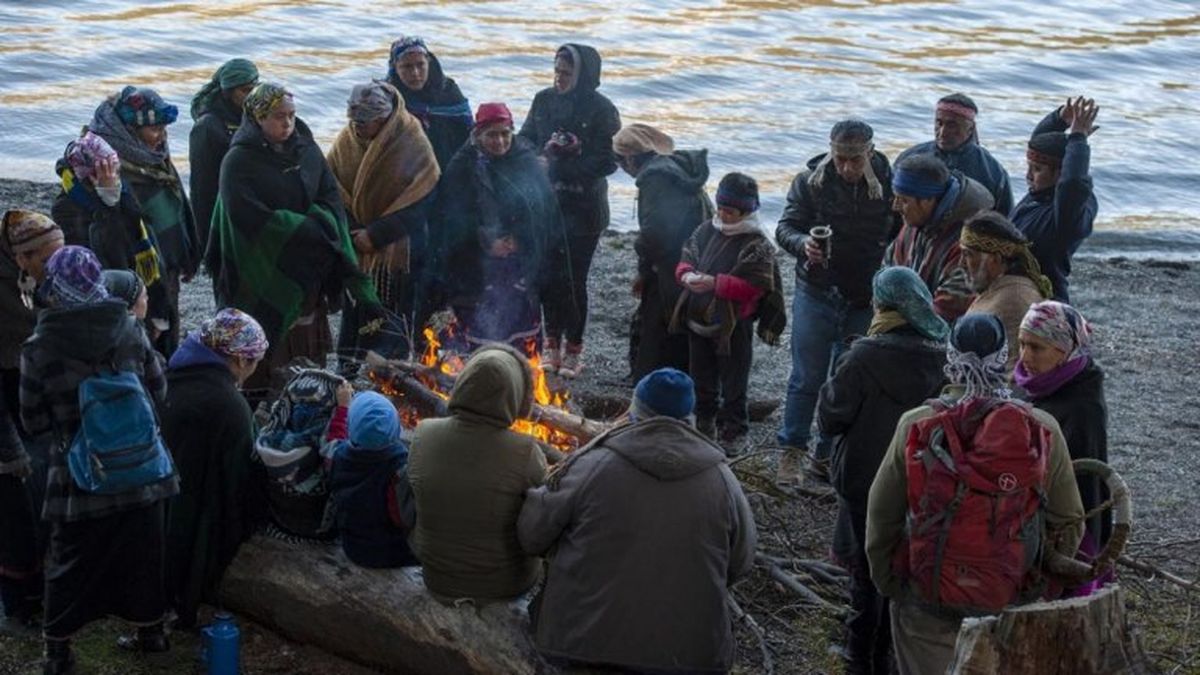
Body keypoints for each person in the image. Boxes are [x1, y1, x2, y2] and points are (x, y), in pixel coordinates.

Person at [865, 313, 1084, 675]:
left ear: (950, 355)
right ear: (1003, 358)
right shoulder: (1041, 429)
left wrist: (891, 583)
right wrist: (1039, 585)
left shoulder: (916, 423)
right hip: (1008, 601)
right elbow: (1070, 521)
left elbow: (881, 515)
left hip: (926, 599)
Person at [518, 367, 756, 673]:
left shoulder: (592, 465)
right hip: (691, 658)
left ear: (635, 411)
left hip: (582, 646)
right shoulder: (723, 479)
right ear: (690, 418)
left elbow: (532, 536)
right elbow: (740, 563)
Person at [20, 246, 177, 673]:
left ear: (54, 288)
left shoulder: (39, 347)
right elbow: (159, 391)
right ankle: (152, 634)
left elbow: (33, 420)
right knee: (143, 554)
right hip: (143, 470)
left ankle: (58, 653)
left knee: (67, 562)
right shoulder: (129, 329)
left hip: (78, 475)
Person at [208, 82, 381, 398]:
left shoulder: (307, 149)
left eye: (291, 115)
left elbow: (329, 196)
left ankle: (308, 396)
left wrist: (320, 223)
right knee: (264, 342)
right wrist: (306, 227)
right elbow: (246, 216)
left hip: (308, 261)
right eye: (278, 116)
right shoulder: (238, 161)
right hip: (262, 263)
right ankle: (259, 397)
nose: (287, 123)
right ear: (258, 117)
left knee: (305, 339)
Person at [817, 266, 948, 674]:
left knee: (865, 570)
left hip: (863, 481)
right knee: (903, 567)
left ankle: (860, 658)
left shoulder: (863, 356)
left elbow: (830, 418)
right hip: (919, 482)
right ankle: (890, 655)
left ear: (882, 305)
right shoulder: (943, 356)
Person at [774, 120, 898, 490]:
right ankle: (792, 450)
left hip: (865, 297)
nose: (846, 167)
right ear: (831, 151)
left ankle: (826, 455)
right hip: (816, 290)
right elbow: (785, 228)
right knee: (806, 377)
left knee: (845, 379)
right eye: (840, 159)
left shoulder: (891, 185)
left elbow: (904, 229)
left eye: (854, 160)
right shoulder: (809, 182)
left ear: (870, 153)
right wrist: (803, 245)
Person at [408, 344, 547, 601]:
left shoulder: (423, 432)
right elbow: (542, 521)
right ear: (517, 394)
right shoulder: (525, 450)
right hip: (504, 583)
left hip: (436, 576)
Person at [519, 43, 621, 377]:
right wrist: (539, 155)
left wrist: (570, 158)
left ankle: (574, 346)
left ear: (583, 75)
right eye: (556, 72)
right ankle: (551, 343)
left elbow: (609, 160)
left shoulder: (603, 109)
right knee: (548, 275)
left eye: (566, 73)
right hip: (548, 205)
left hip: (585, 208)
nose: (559, 79)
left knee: (574, 279)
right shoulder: (543, 100)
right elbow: (525, 138)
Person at [161, 308, 267, 628]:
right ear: (240, 361)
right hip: (198, 507)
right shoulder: (230, 406)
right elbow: (239, 478)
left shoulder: (174, 375)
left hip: (158, 497)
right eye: (255, 362)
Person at [429, 102, 562, 349]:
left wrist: (519, 239)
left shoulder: (525, 159)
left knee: (520, 323)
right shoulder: (463, 166)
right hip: (476, 262)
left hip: (519, 257)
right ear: (478, 135)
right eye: (491, 135)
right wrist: (486, 241)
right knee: (479, 326)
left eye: (504, 134)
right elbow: (453, 217)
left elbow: (543, 209)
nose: (499, 141)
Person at [327, 80, 440, 364]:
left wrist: (376, 235)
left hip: (400, 246)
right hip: (357, 243)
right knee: (356, 310)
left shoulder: (412, 141)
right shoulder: (346, 142)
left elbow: (422, 199)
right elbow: (331, 189)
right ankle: (349, 364)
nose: (358, 127)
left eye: (366, 121)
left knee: (395, 312)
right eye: (354, 120)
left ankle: (392, 369)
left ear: (386, 118)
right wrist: (355, 232)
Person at [672, 173, 782, 451]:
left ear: (746, 211)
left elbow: (755, 287)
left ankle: (734, 431)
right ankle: (704, 423)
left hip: (735, 324)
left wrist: (715, 283)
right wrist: (686, 275)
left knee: (734, 383)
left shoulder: (758, 243)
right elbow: (686, 256)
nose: (722, 215)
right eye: (720, 208)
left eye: (729, 211)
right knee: (701, 377)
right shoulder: (706, 229)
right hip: (698, 319)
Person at [88, 85, 199, 357]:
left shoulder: (152, 154)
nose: (162, 136)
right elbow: (112, 231)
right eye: (155, 129)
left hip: (167, 266)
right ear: (129, 130)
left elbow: (178, 198)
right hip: (136, 274)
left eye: (164, 128)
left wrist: (189, 253)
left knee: (168, 338)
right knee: (144, 345)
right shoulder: (102, 167)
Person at [1016, 300, 1110, 593]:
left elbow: (1084, 487)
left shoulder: (1082, 408)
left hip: (1069, 526)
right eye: (1022, 344)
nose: (1025, 356)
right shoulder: (1036, 385)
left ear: (1064, 350)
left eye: (1036, 347)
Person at [0, 211, 62, 637]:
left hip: (33, 397)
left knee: (43, 495)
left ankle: (42, 593)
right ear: (23, 258)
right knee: (14, 510)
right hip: (5, 405)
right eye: (48, 259)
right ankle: (15, 607)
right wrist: (8, 448)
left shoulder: (40, 281)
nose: (56, 267)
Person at [613, 123, 713, 381]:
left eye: (620, 161)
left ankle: (653, 384)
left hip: (673, 265)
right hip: (696, 259)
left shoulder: (656, 180)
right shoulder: (678, 170)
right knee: (678, 325)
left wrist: (644, 270)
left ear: (631, 159)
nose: (621, 167)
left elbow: (656, 235)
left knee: (660, 329)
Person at [1011, 97, 1100, 303]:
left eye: (1037, 169)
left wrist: (1078, 137)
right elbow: (1038, 143)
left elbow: (1073, 183)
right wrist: (1059, 119)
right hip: (1011, 289)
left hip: (1042, 299)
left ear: (1060, 173)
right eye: (1029, 167)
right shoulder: (1039, 194)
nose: (1028, 175)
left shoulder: (1069, 213)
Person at [884, 154, 993, 322]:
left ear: (928, 200)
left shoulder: (967, 245)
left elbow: (947, 311)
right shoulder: (913, 223)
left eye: (904, 200)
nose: (895, 206)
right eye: (895, 197)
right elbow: (886, 271)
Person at [325, 390, 418, 569]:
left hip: (352, 546)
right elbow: (405, 517)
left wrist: (343, 409)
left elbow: (333, 440)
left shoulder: (339, 455)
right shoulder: (400, 468)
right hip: (392, 552)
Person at [254, 367, 345, 539]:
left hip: (275, 521)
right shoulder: (325, 450)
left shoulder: (268, 440)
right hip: (314, 531)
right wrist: (343, 411)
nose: (303, 409)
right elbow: (336, 456)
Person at [960, 211, 1051, 374]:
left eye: (968, 255)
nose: (961, 264)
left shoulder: (1012, 302)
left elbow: (1016, 375)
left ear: (995, 259)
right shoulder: (1004, 290)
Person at [189, 58, 259, 262]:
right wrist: (206, 240)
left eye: (254, 89)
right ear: (228, 92)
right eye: (245, 91)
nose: (252, 96)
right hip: (221, 213)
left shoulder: (251, 116)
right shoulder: (207, 127)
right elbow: (201, 190)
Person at [896, 93, 1012, 214]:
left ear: (970, 129)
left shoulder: (992, 172)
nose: (942, 132)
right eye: (939, 123)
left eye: (952, 125)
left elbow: (1005, 218)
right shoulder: (909, 158)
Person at [385, 36, 473, 171]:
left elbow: (468, 136)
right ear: (395, 68)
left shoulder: (449, 91)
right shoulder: (386, 97)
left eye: (420, 65)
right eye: (407, 66)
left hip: (450, 167)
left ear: (428, 63)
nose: (415, 73)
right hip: (404, 170)